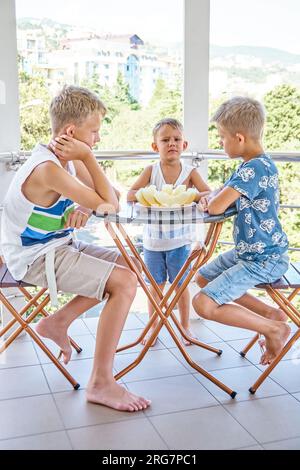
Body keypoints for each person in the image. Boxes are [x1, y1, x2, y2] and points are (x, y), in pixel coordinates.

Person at [1, 85, 151, 412]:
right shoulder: (49, 168)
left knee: (131, 263)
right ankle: (100, 383)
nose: (97, 139)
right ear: (71, 132)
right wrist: (86, 156)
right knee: (123, 282)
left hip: (57, 244)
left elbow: (108, 194)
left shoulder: (64, 159)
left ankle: (57, 322)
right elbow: (110, 206)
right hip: (34, 258)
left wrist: (82, 180)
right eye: (94, 132)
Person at [193, 96, 290, 365]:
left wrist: (210, 200)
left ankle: (273, 329)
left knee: (203, 304)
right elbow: (219, 197)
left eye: (222, 137)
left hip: (264, 258)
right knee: (203, 278)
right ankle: (270, 314)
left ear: (239, 138)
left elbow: (216, 206)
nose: (220, 143)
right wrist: (211, 198)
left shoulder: (251, 169)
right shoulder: (258, 164)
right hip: (251, 253)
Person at [127, 118, 210, 346]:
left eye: (176, 139)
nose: (171, 143)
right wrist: (148, 195)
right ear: (155, 146)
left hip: (180, 243)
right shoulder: (150, 170)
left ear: (184, 145)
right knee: (155, 288)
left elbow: (207, 193)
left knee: (181, 287)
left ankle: (185, 327)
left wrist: (194, 196)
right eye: (165, 140)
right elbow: (130, 194)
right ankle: (152, 328)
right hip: (153, 244)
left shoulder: (190, 172)